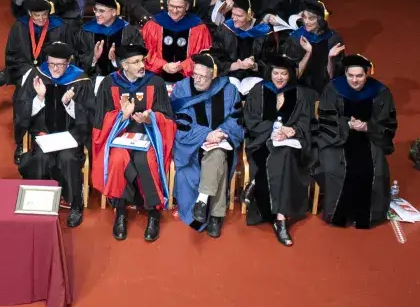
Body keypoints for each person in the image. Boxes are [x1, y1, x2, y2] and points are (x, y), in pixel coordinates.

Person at [91, 45, 174, 242]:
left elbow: (168, 118)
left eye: (142, 60)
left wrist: (150, 118)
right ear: (123, 65)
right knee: (118, 160)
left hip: (149, 137)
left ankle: (153, 213)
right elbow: (99, 121)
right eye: (136, 62)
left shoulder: (156, 82)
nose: (141, 65)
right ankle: (120, 211)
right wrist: (122, 116)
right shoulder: (109, 84)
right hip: (119, 137)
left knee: (148, 161)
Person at [313, 53, 397, 230]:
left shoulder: (381, 92)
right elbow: (325, 118)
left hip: (370, 137)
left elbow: (387, 124)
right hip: (336, 137)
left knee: (375, 169)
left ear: (367, 74)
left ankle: (365, 216)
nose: (355, 80)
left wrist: (367, 127)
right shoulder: (334, 88)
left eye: (359, 76)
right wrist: (346, 124)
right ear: (345, 73)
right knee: (334, 168)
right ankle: (339, 214)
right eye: (350, 75)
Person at [13, 42, 88, 228]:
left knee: (68, 158)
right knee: (40, 157)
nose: (55, 69)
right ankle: (38, 206)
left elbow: (89, 115)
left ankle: (75, 205)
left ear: (68, 63)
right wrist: (39, 98)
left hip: (71, 138)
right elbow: (21, 110)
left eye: (60, 65)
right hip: (44, 136)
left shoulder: (80, 81)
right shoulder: (36, 76)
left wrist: (69, 105)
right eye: (51, 64)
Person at [168, 53, 244, 238]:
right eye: (195, 74)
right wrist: (206, 134)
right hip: (191, 145)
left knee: (218, 154)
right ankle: (217, 215)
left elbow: (235, 121)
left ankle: (202, 203)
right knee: (218, 160)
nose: (198, 80)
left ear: (214, 76)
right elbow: (180, 123)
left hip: (220, 140)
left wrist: (220, 135)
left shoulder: (229, 89)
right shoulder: (182, 88)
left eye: (203, 77)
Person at [242, 56, 313, 245]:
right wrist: (275, 129)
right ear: (269, 73)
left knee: (285, 155)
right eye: (276, 73)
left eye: (284, 73)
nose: (280, 78)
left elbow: (306, 124)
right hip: (261, 141)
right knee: (277, 156)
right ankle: (279, 222)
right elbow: (250, 121)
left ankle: (278, 216)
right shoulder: (259, 90)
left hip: (289, 145)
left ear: (290, 75)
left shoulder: (300, 94)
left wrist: (293, 131)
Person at [142, 0, 212, 84]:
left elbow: (203, 55)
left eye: (179, 7)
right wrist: (163, 65)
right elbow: (145, 51)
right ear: (167, 4)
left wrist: (182, 66)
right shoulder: (154, 24)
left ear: (187, 7)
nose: (174, 11)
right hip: (157, 78)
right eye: (171, 6)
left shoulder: (198, 27)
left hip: (188, 79)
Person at [208, 0, 280, 84]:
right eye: (233, 14)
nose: (234, 18)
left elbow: (271, 62)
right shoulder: (225, 29)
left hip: (256, 79)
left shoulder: (265, 32)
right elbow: (215, 57)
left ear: (251, 15)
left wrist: (254, 66)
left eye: (239, 15)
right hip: (229, 77)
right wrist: (236, 65)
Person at [0, 0, 66, 86]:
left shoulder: (59, 27)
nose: (41, 19)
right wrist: (28, 70)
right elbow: (12, 52)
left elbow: (65, 52)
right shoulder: (20, 26)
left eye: (44, 14)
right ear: (30, 13)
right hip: (25, 69)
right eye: (37, 15)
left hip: (51, 69)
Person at [281, 1, 345, 91]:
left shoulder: (333, 38)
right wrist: (308, 52)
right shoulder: (295, 38)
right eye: (304, 17)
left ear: (320, 19)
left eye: (311, 18)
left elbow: (334, 75)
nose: (306, 22)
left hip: (325, 86)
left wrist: (331, 58)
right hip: (300, 87)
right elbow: (292, 73)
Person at [69, 0, 135, 77]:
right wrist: (93, 58)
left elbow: (135, 58)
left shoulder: (129, 31)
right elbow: (77, 57)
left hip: (121, 80)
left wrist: (115, 61)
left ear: (114, 12)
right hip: (93, 79)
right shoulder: (85, 31)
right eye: (95, 10)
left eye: (101, 11)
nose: (96, 14)